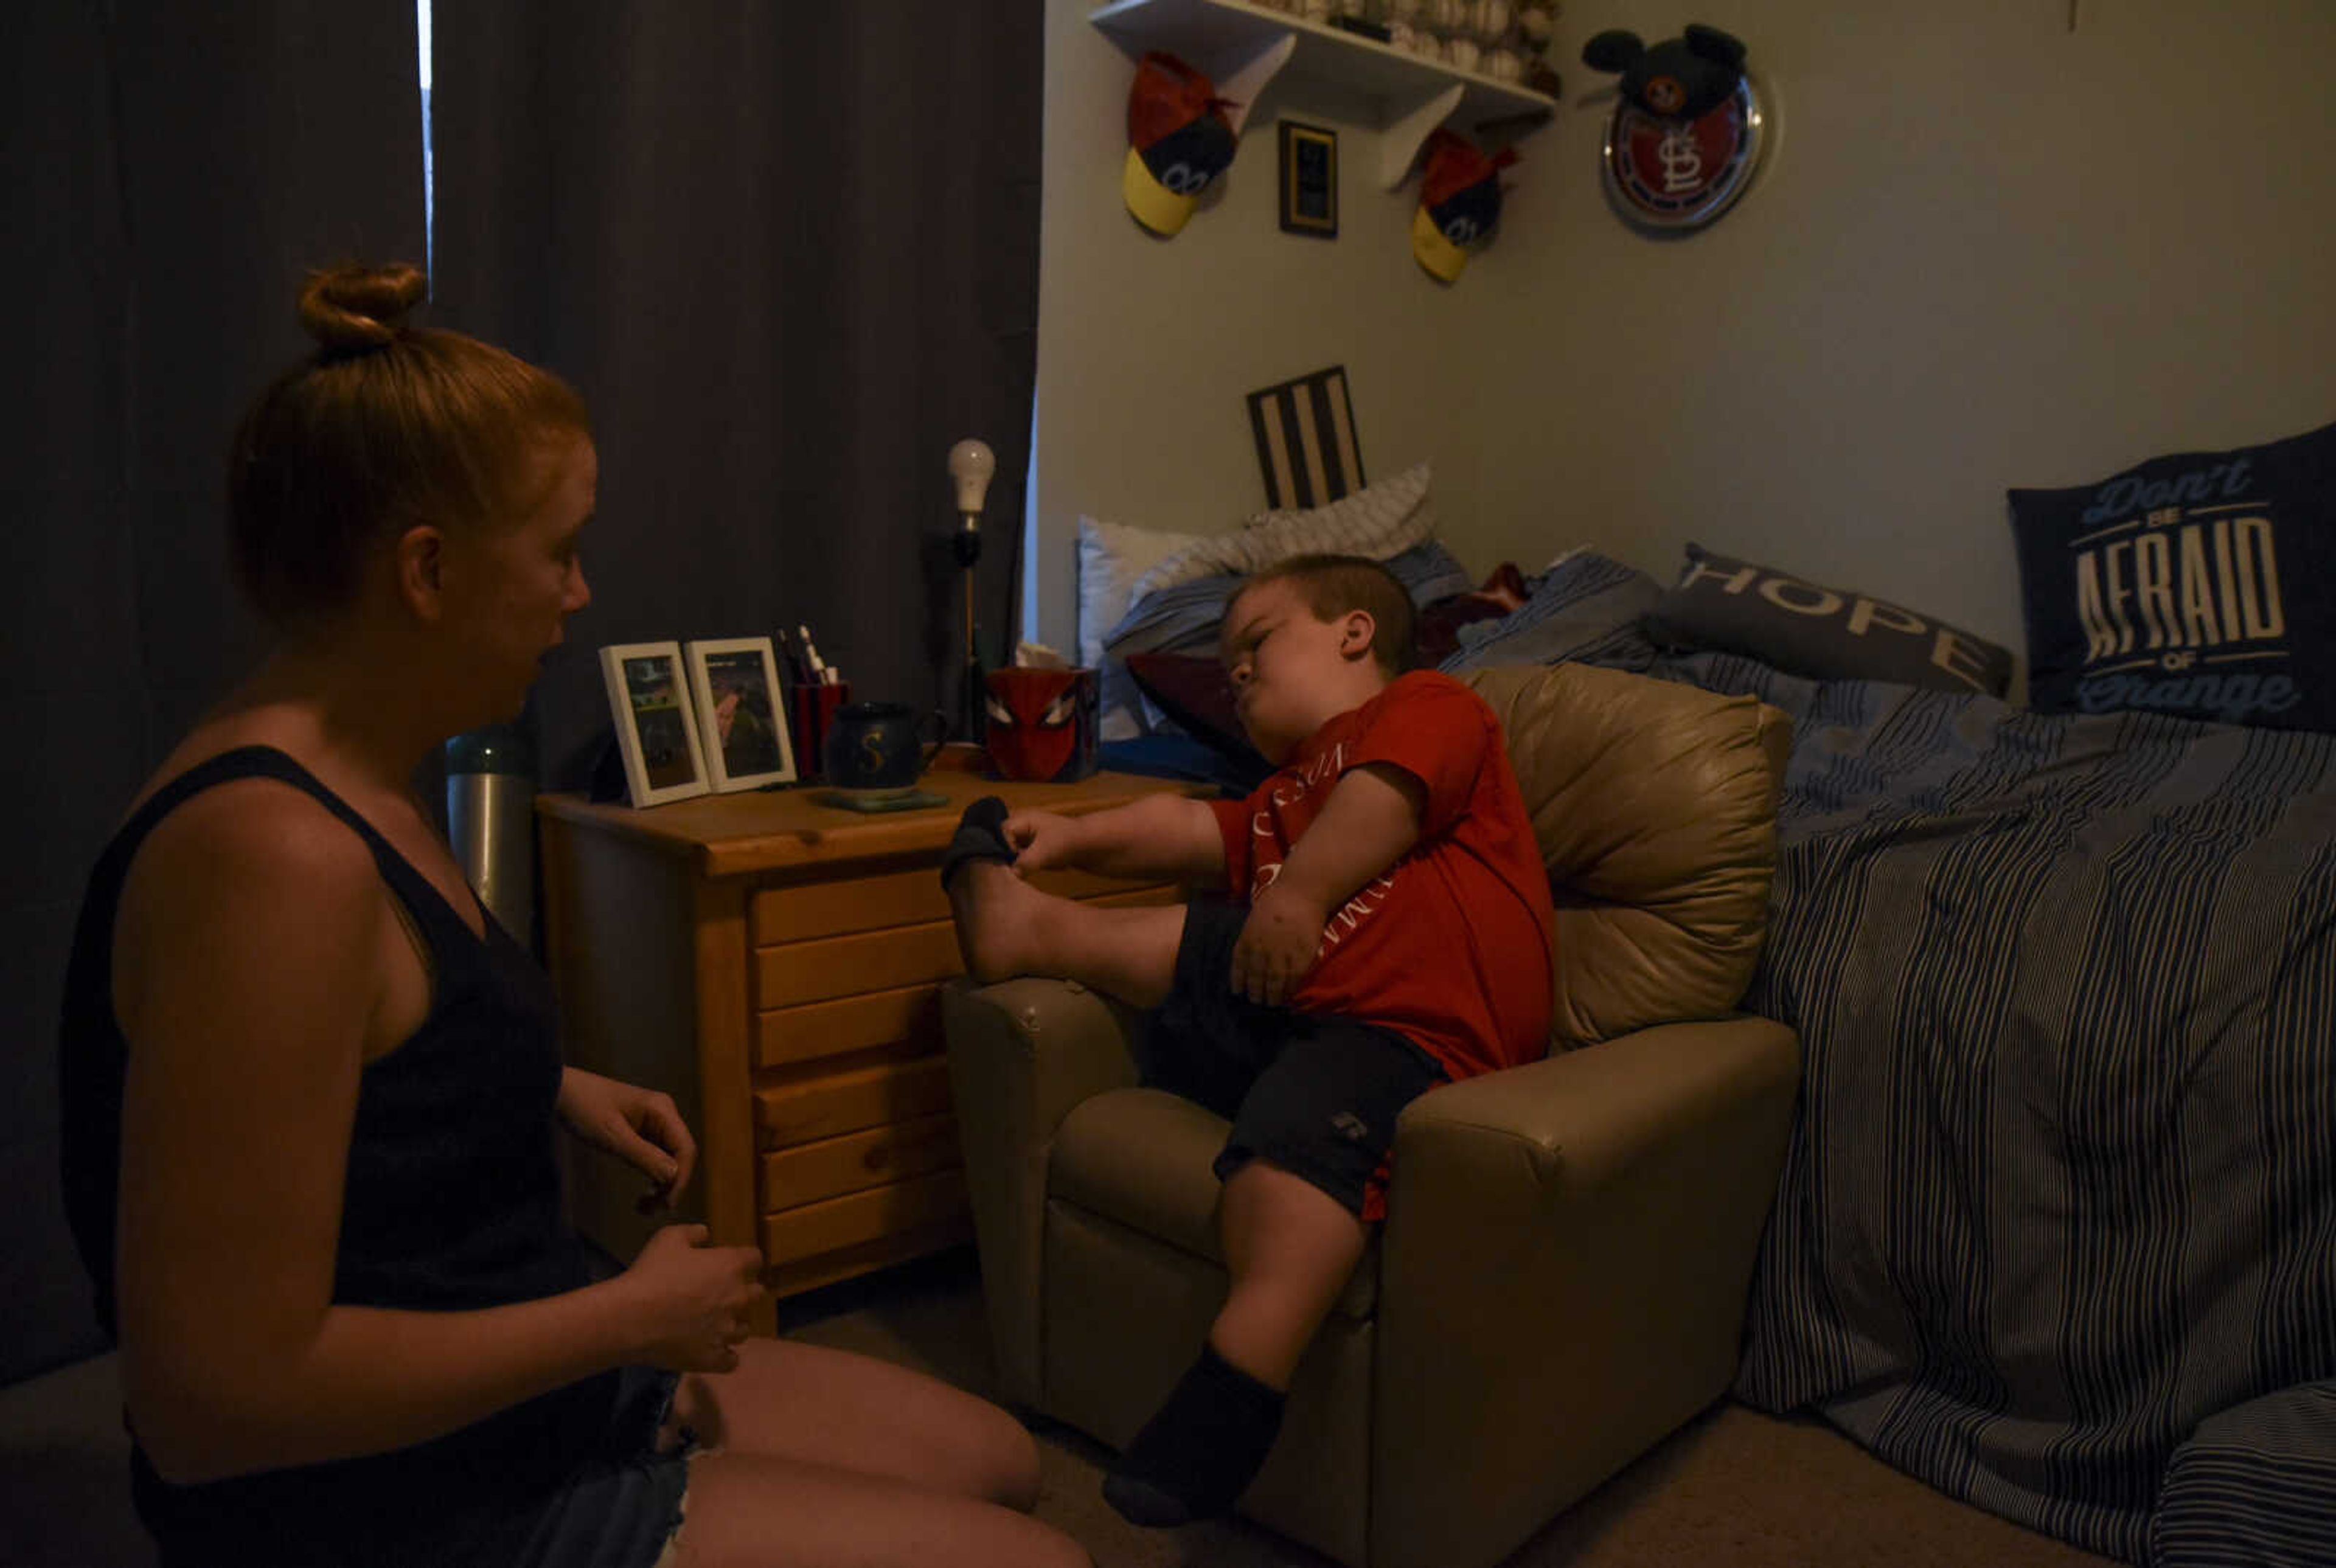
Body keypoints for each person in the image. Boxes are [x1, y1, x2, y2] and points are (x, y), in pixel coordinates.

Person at [56, 262, 1089, 1568]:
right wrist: (625, 1316)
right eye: (559, 550)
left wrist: (547, 1079)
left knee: (999, 1461)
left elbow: (367, 1052)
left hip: (506, 1377)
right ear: (427, 569)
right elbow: (209, 1403)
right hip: (387, 1505)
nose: (579, 593)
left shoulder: (367, 765)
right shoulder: (271, 857)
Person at [940, 553, 1556, 1527]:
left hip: (1415, 1037)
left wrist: (1302, 893)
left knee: (1286, 1147)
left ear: (1355, 631)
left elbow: (1385, 793)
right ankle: (1031, 927)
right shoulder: (1281, 794)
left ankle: (1235, 1390)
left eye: (1254, 643)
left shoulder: (1431, 706)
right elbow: (1185, 830)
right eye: (1225, 663)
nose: (1234, 672)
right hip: (1301, 1012)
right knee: (1206, 946)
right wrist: (1065, 836)